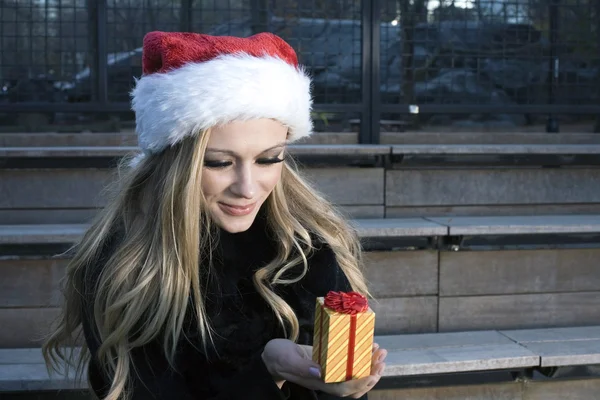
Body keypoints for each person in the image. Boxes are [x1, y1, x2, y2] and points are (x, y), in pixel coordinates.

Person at [42, 31, 387, 400]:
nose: (248, 188)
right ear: (177, 164)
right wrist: (268, 370)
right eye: (220, 162)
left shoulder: (305, 249)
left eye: (269, 159)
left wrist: (344, 387)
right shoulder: (129, 267)